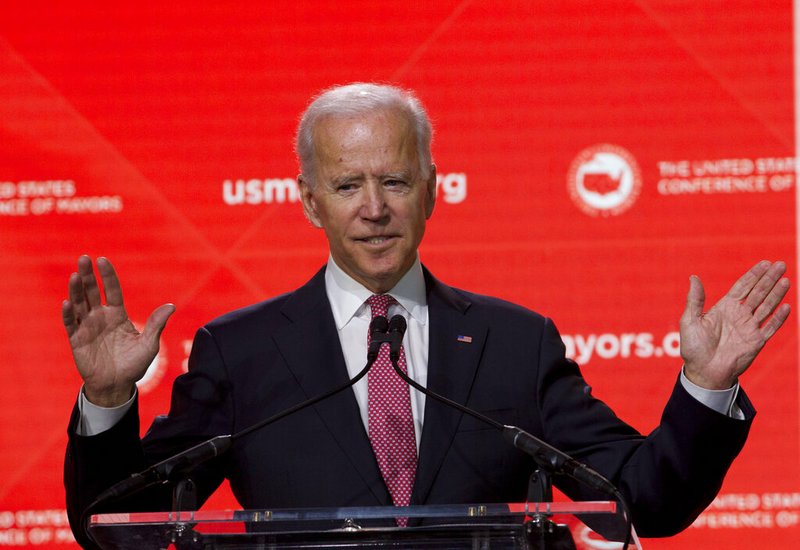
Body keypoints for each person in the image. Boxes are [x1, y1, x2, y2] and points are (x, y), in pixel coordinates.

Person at [63, 83, 791, 546]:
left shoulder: (515, 343)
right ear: (311, 201)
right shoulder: (241, 351)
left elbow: (646, 500)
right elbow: (111, 521)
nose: (374, 208)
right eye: (348, 185)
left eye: (396, 180)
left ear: (434, 190)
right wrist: (105, 401)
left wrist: (704, 385)